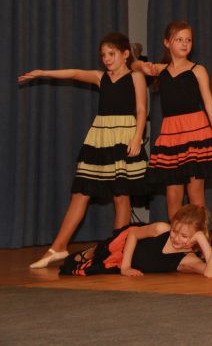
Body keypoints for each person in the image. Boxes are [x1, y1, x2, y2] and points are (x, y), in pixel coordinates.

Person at [19, 32, 148, 269]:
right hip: (100, 137)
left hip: (124, 136)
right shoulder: (101, 77)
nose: (106, 59)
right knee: (80, 193)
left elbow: (141, 109)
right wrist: (44, 72)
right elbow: (74, 73)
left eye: (111, 54)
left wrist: (138, 137)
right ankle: (58, 247)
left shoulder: (135, 77)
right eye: (103, 55)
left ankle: (115, 251)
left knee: (121, 196)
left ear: (125, 54)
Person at [138, 21, 212, 220]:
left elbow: (210, 104)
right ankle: (176, 237)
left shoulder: (197, 70)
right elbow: (133, 66)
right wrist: (142, 65)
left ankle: (200, 237)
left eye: (188, 40)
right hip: (172, 135)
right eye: (179, 40)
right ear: (167, 43)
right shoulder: (161, 70)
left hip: (196, 132)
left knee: (195, 194)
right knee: (173, 196)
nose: (185, 44)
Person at [59, 204, 212, 276]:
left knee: (76, 266)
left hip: (122, 263)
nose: (176, 238)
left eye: (184, 236)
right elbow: (133, 235)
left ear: (196, 237)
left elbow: (211, 270)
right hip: (123, 247)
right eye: (174, 231)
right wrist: (126, 267)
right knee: (90, 254)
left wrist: (202, 239)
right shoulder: (161, 229)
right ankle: (92, 250)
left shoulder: (187, 259)